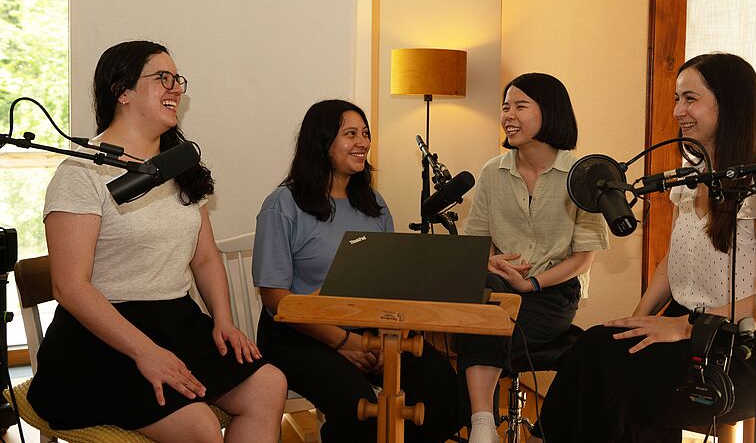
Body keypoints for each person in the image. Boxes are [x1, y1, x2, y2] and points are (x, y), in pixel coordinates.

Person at [528, 53, 756, 442]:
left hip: (748, 349)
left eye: (690, 98)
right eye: (676, 99)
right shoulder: (689, 181)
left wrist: (685, 326)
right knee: (597, 346)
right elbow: (671, 263)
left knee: (616, 381)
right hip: (685, 328)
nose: (678, 110)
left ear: (729, 104)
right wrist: (635, 322)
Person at [27, 41, 287, 442]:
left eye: (177, 79)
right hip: (100, 335)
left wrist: (223, 319)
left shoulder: (179, 165)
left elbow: (204, 259)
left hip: (177, 321)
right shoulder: (80, 174)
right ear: (123, 91)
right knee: (199, 425)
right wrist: (145, 352)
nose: (175, 88)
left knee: (268, 386)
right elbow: (70, 287)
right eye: (161, 78)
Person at [252, 99, 460, 443]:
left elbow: (387, 283)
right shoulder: (283, 204)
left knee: (440, 382)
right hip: (298, 334)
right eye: (351, 134)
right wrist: (345, 341)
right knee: (359, 404)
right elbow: (276, 299)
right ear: (321, 142)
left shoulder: (374, 204)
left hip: (368, 327)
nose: (363, 142)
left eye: (365, 133)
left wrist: (380, 342)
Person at [456, 72, 609, 443]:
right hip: (497, 288)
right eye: (505, 106)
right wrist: (491, 262)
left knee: (480, 323)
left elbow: (582, 259)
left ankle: (481, 424)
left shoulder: (582, 174)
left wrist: (532, 282)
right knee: (486, 306)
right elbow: (476, 243)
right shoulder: (493, 171)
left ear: (550, 112)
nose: (508, 115)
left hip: (554, 293)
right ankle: (483, 425)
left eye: (520, 106)